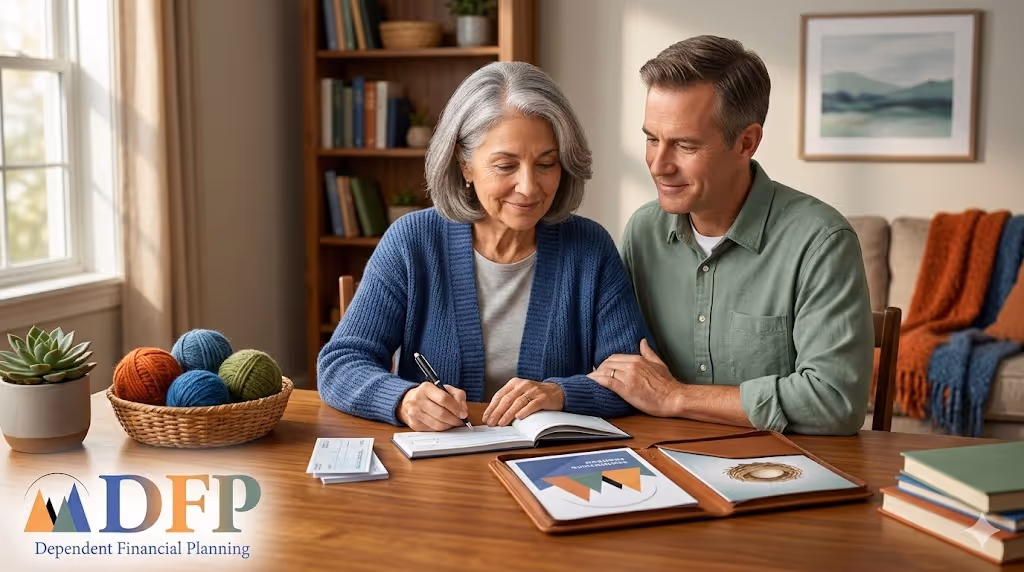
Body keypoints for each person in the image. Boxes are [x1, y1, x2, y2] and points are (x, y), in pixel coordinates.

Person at [318, 61, 649, 432]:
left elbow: (638, 380)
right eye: (506, 166)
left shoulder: (589, 248)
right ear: (465, 164)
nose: (529, 186)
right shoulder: (412, 241)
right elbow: (341, 363)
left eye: (546, 163)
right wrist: (402, 400)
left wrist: (558, 393)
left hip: (548, 469)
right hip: (442, 469)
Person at [590, 36, 875, 436]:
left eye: (684, 145)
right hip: (661, 463)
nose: (657, 164)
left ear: (747, 142)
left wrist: (677, 397)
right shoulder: (643, 232)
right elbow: (620, 369)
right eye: (652, 138)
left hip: (784, 471)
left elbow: (835, 400)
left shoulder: (821, 241)